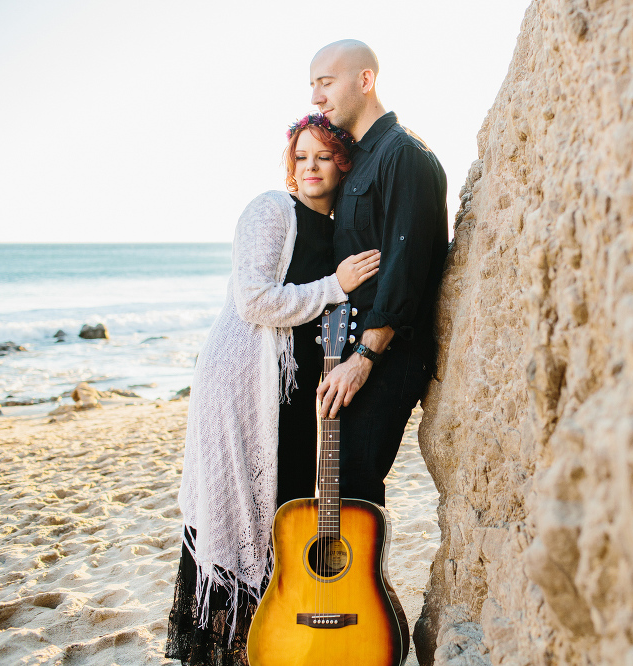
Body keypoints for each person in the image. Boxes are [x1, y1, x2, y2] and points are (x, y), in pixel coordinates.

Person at [165, 114, 378, 666]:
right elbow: (253, 299)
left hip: (291, 390)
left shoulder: (339, 230)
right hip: (241, 386)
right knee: (242, 510)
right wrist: (336, 285)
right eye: (301, 157)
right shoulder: (270, 209)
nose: (310, 167)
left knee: (282, 509)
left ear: (344, 164)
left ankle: (270, 639)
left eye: (324, 157)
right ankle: (226, 649)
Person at [311, 39, 449, 506]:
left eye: (325, 83)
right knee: (336, 484)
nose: (316, 97)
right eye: (313, 86)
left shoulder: (403, 155)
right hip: (350, 349)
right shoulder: (357, 161)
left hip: (387, 354)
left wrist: (364, 358)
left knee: (353, 484)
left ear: (365, 80)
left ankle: (363, 583)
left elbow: (404, 269)